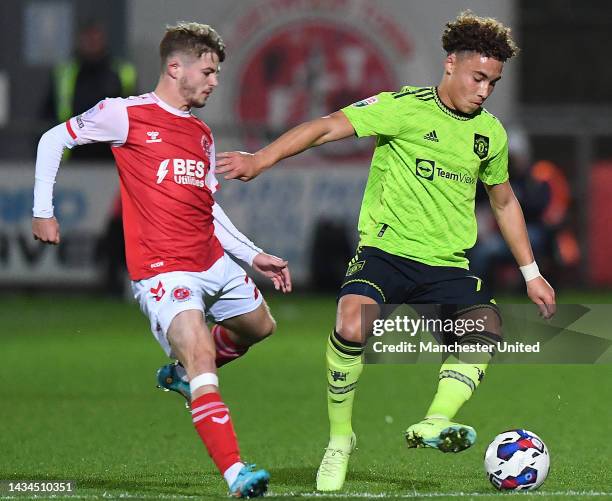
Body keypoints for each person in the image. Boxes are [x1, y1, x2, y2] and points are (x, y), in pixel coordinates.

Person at [216, 11, 556, 492]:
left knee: (486, 328)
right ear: (450, 65)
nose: (483, 90)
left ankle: (435, 422)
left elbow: (503, 200)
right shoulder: (402, 108)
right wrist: (260, 158)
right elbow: (325, 127)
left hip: (446, 265)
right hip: (385, 252)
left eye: (492, 83)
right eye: (477, 77)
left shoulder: (491, 135)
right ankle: (339, 440)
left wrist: (532, 272)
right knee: (351, 321)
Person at [32, 22, 291, 498]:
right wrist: (43, 212)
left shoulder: (202, 134)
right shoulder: (124, 114)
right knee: (199, 354)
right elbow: (54, 140)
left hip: (209, 257)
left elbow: (207, 207)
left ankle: (180, 374)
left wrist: (254, 255)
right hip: (163, 268)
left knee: (260, 327)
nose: (214, 81)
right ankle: (237, 473)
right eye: (208, 72)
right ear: (176, 68)